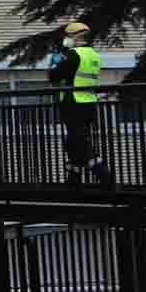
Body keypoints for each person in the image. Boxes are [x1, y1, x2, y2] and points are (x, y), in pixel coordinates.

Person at [47, 22, 111, 184]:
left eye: (68, 36)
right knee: (74, 140)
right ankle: (73, 176)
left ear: (76, 36)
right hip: (89, 102)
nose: (66, 40)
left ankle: (102, 172)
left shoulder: (73, 55)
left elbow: (54, 77)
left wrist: (55, 64)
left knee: (77, 140)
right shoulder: (94, 55)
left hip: (73, 102)